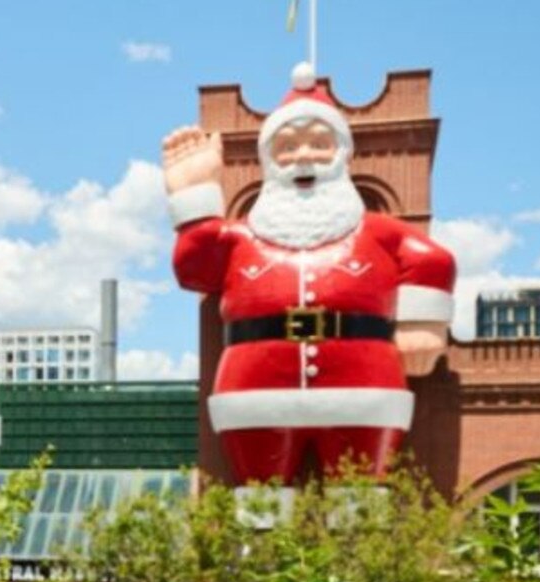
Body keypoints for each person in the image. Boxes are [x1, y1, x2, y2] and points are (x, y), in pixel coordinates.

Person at [162, 62, 456, 483]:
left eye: (319, 144)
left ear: (343, 155)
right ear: (268, 160)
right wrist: (195, 198)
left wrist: (421, 320)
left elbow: (432, 259)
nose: (302, 157)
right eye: (286, 147)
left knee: (359, 506)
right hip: (254, 392)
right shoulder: (240, 238)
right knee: (259, 505)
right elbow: (194, 270)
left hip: (364, 388)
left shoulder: (378, 232)